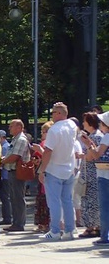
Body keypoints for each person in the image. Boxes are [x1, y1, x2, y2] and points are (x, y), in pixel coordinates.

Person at [38, 102, 78, 241]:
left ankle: (55, 231)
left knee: (54, 202)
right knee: (67, 200)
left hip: (54, 168)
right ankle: (69, 229)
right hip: (69, 167)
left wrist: (42, 170)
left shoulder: (54, 130)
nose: (52, 115)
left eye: (54, 112)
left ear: (60, 114)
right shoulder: (72, 126)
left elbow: (48, 151)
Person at [0, 119, 31, 232]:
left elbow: (15, 157)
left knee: (18, 198)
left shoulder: (21, 140)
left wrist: (3, 161)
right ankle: (16, 222)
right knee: (14, 198)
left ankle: (19, 223)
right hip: (12, 172)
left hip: (17, 172)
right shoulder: (15, 139)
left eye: (11, 126)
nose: (9, 128)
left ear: (19, 127)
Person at [84, 111, 109, 245]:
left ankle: (105, 236)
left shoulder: (106, 137)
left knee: (105, 207)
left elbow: (96, 156)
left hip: (104, 175)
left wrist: (88, 144)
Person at [77, 112, 103, 238]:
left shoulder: (95, 137)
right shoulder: (96, 136)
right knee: (93, 200)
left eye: (85, 121)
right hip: (93, 173)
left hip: (91, 174)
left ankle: (91, 227)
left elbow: (91, 156)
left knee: (89, 200)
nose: (83, 124)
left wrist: (85, 152)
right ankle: (96, 226)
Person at [0, 129, 12, 226]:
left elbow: (3, 161)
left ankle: (7, 217)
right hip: (5, 175)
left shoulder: (5, 147)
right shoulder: (4, 146)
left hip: (6, 175)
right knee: (4, 196)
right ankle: (7, 217)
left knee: (5, 197)